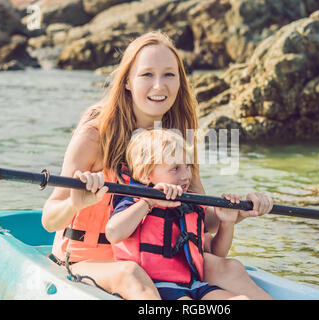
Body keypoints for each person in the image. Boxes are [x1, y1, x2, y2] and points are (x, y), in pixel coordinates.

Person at [41, 31, 273, 300]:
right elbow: (49, 219)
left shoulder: (176, 139)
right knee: (131, 274)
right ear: (127, 81)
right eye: (147, 75)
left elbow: (201, 218)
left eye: (169, 75)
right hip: (94, 258)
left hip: (159, 258)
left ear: (180, 81)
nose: (159, 86)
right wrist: (75, 204)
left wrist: (237, 211)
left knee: (229, 268)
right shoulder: (94, 136)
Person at [107, 128, 263, 300]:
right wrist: (148, 202)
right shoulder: (136, 201)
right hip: (158, 287)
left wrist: (227, 223)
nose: (186, 175)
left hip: (195, 285)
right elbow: (113, 233)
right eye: (175, 169)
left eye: (188, 166)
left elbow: (216, 254)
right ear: (146, 174)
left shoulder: (189, 205)